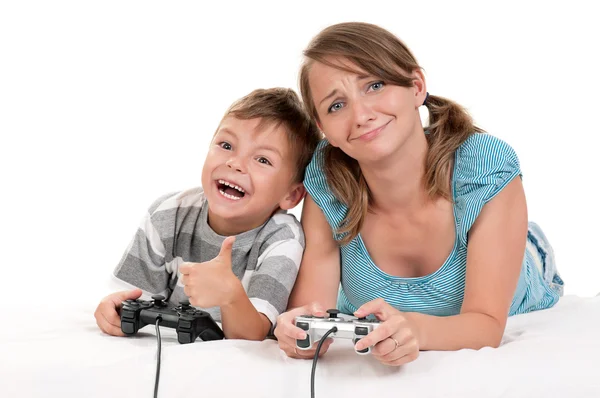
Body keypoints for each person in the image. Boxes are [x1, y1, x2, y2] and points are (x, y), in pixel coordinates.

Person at [273, 22, 564, 366]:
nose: (362, 115)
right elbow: (314, 315)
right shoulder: (326, 177)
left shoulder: (485, 168)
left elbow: (486, 325)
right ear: (325, 131)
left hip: (516, 268)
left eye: (375, 85)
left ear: (416, 86)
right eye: (336, 106)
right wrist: (297, 332)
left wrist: (416, 330)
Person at [94, 88, 321, 341]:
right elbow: (131, 301)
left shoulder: (282, 239)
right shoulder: (168, 214)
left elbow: (251, 337)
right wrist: (111, 310)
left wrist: (230, 295)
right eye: (226, 145)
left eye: (262, 160)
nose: (235, 163)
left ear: (290, 196)